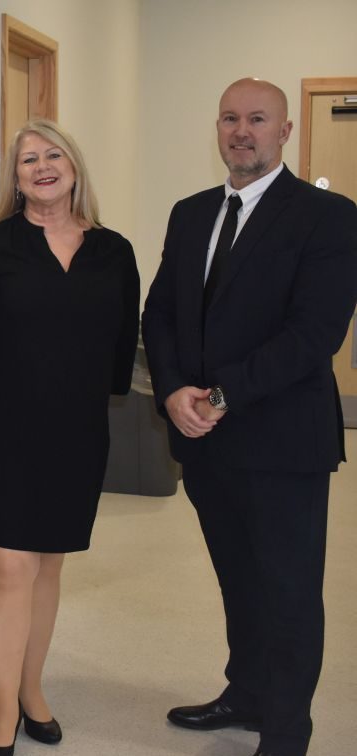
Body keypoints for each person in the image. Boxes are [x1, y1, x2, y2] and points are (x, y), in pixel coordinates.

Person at [142, 78, 357, 756]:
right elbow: (162, 314)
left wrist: (222, 395)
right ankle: (246, 692)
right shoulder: (190, 212)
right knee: (237, 576)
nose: (243, 131)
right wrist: (174, 390)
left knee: (289, 590)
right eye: (231, 119)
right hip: (205, 441)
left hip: (283, 439)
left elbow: (314, 332)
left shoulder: (328, 216)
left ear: (285, 131)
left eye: (258, 119)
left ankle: (287, 729)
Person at [0, 119, 139, 755]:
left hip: (75, 432)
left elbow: (119, 352)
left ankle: (33, 689)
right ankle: (3, 710)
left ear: (74, 165)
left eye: (53, 154)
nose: (42, 166)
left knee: (49, 564)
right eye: (27, 159)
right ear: (16, 178)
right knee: (7, 567)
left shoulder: (115, 252)